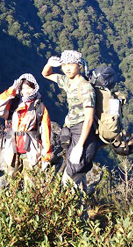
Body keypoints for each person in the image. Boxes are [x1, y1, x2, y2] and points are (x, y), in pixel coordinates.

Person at [41, 50, 98, 190]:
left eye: (71, 64)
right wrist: (49, 64)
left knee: (70, 176)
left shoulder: (85, 87)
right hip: (71, 129)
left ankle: (72, 209)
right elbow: (45, 74)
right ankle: (82, 208)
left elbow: (89, 119)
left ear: (79, 65)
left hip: (82, 131)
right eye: (64, 64)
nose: (67, 68)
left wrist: (80, 145)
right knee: (76, 174)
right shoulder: (67, 81)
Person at [0, 73, 52, 177]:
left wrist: (46, 156)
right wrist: (11, 91)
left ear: (34, 88)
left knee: (31, 183)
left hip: (31, 152)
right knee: (12, 183)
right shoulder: (14, 104)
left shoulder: (39, 108)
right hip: (12, 150)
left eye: (28, 88)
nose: (26, 91)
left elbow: (46, 132)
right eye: (23, 88)